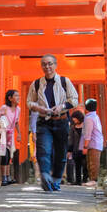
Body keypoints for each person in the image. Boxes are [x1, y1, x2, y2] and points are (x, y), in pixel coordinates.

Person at [26, 54, 79, 192]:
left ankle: (56, 180)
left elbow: (74, 99)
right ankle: (45, 175)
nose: (47, 67)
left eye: (50, 64)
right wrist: (38, 107)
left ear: (55, 65)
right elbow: (29, 102)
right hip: (44, 121)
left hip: (61, 121)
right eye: (44, 64)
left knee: (61, 153)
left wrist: (61, 107)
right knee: (43, 150)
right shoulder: (36, 83)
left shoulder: (64, 81)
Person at [0, 88, 21, 186]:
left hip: (10, 135)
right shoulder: (4, 107)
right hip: (2, 133)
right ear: (10, 98)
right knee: (5, 155)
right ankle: (4, 178)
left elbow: (16, 123)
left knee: (9, 156)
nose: (18, 97)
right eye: (16, 96)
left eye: (18, 96)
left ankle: (7, 177)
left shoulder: (18, 109)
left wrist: (19, 134)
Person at [80, 97, 104, 187]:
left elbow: (88, 134)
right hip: (96, 142)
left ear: (86, 108)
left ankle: (93, 180)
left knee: (93, 162)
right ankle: (92, 179)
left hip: (93, 143)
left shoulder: (89, 118)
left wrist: (85, 146)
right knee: (92, 161)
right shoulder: (95, 116)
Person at [67, 109, 87, 186]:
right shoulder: (73, 127)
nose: (74, 120)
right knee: (77, 165)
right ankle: (78, 181)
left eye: (75, 119)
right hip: (76, 148)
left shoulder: (85, 125)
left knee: (85, 165)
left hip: (84, 148)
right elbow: (71, 139)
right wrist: (69, 150)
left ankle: (85, 180)